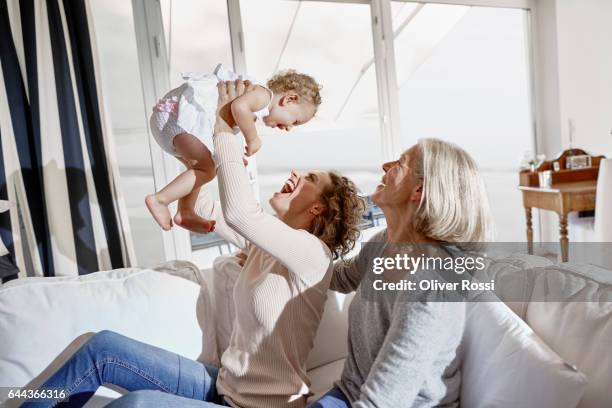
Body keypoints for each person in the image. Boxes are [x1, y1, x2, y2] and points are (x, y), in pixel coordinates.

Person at [22, 79, 365, 408]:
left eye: (310, 179)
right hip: (222, 387)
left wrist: (223, 128)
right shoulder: (268, 245)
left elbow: (241, 214)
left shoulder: (312, 255)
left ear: (320, 207)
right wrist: (201, 161)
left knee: (136, 405)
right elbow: (202, 210)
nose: (295, 174)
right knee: (103, 349)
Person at [309, 138, 495, 407]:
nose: (385, 165)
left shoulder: (433, 287)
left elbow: (383, 402)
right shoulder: (383, 243)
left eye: (400, 163)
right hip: (349, 394)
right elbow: (341, 277)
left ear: (418, 189)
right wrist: (284, 257)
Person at [146, 64, 322, 234]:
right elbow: (238, 107)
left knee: (200, 168)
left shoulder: (255, 107)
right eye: (296, 121)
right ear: (290, 99)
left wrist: (235, 152)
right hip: (175, 118)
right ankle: (160, 200)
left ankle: (185, 212)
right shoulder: (263, 95)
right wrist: (252, 138)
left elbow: (229, 120)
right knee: (206, 170)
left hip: (170, 119)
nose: (290, 128)